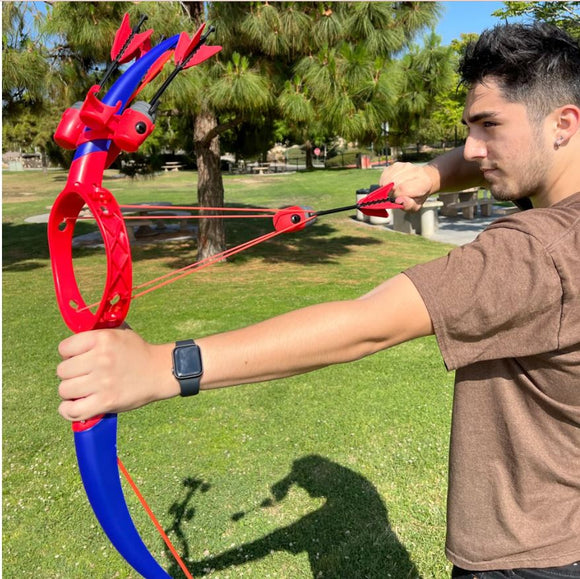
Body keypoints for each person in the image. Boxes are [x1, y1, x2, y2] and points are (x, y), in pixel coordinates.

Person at [57, 23, 580, 577]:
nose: (473, 148)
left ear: (564, 124)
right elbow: (479, 161)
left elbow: (367, 324)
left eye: (489, 126)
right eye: (469, 128)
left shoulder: (538, 253)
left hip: (530, 556)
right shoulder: (556, 199)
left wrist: (162, 368)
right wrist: (429, 173)